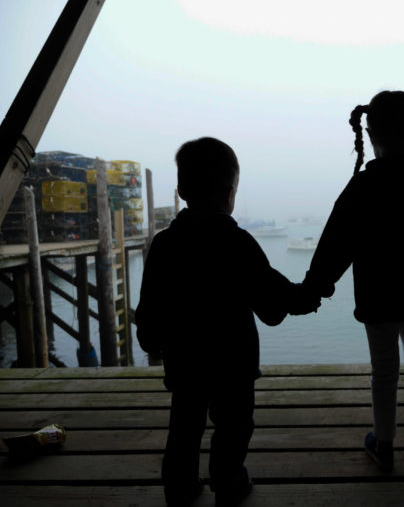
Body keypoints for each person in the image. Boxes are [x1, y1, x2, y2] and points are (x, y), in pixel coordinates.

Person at [136, 137, 319, 506]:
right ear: (231, 192)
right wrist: (308, 296)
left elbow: (149, 308)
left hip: (184, 361)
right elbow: (273, 300)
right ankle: (228, 479)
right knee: (234, 426)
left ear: (181, 190)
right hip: (233, 364)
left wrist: (152, 342)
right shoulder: (238, 242)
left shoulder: (164, 244)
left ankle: (180, 485)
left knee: (184, 425)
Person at [302, 91, 404, 472]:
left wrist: (315, 288)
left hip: (377, 299)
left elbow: (335, 244)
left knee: (384, 372)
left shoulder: (362, 186)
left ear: (370, 133)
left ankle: (385, 444)